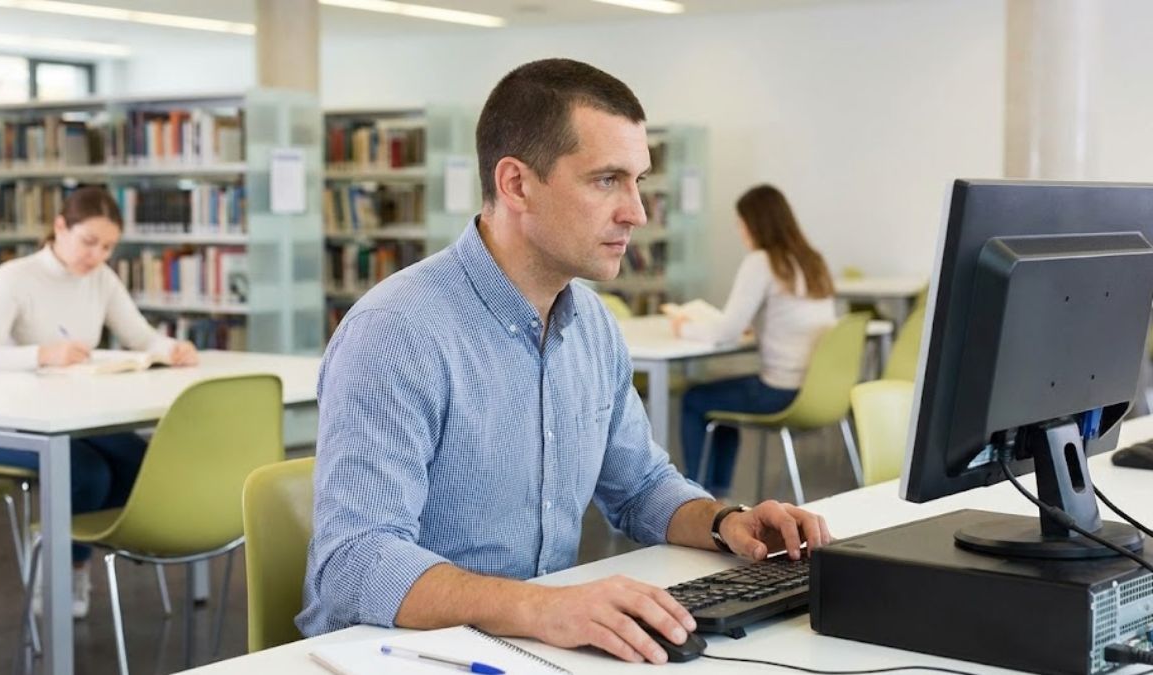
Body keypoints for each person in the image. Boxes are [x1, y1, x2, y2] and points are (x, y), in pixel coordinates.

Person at [298, 59, 831, 665]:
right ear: (517, 185)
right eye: (607, 180)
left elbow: (641, 486)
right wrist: (540, 608)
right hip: (393, 653)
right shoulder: (397, 332)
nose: (637, 212)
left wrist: (722, 522)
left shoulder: (593, 325)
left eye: (638, 181)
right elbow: (356, 561)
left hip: (531, 645)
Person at [0, 185, 199, 618]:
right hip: (7, 424)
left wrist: (171, 350)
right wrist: (42, 354)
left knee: (137, 458)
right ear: (59, 227)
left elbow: (140, 336)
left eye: (108, 247)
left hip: (73, 417)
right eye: (89, 242)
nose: (97, 256)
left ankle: (79, 550)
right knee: (87, 473)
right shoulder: (14, 277)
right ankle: (60, 569)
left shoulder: (101, 278)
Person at [676, 184, 838, 496]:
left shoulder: (761, 262)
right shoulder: (811, 260)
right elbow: (789, 316)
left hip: (779, 392)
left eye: (740, 223)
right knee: (719, 400)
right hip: (819, 390)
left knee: (695, 398)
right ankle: (717, 491)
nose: (739, 231)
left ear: (755, 223)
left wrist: (684, 327)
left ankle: (695, 496)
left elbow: (725, 331)